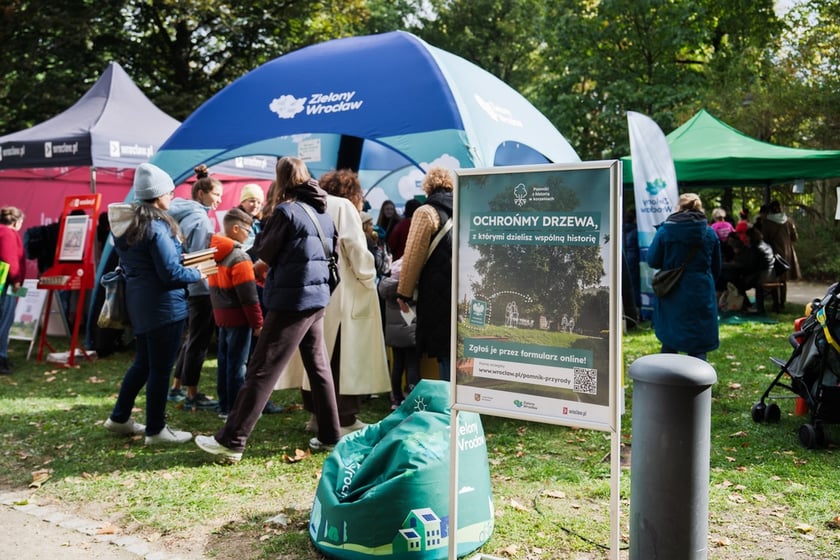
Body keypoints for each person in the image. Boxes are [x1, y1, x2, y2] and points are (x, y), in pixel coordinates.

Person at [195, 156, 341, 461]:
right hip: (316, 298)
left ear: (282, 180)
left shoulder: (285, 213)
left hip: (291, 301)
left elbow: (264, 251)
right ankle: (330, 436)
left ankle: (232, 440)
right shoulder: (323, 214)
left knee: (262, 368)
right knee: (319, 367)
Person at [276, 169, 390, 437]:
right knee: (342, 356)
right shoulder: (344, 207)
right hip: (344, 292)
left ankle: (318, 415)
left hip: (312, 290)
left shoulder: (306, 204)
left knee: (315, 356)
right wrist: (368, 275)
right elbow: (355, 249)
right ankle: (344, 417)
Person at [103, 163, 203, 444]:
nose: (172, 197)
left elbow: (150, 265)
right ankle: (156, 429)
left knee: (143, 364)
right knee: (160, 370)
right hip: (164, 308)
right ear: (158, 195)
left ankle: (120, 417)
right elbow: (170, 273)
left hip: (141, 305)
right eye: (170, 193)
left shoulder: (128, 224)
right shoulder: (156, 227)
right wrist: (199, 271)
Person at [168, 164, 223, 411]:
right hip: (200, 287)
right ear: (201, 194)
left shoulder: (184, 212)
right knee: (199, 341)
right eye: (216, 195)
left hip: (186, 284)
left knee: (191, 339)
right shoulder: (200, 219)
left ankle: (177, 386)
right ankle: (193, 393)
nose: (219, 201)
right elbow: (200, 257)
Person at [647, 193, 721, 361]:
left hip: (672, 290)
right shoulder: (709, 233)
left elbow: (652, 260)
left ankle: (667, 383)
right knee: (698, 343)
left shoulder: (665, 231)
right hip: (701, 290)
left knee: (670, 339)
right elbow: (717, 268)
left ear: (678, 208)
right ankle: (698, 386)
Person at [397, 166, 454, 381]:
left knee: (443, 349)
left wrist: (404, 292)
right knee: (456, 349)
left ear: (428, 187)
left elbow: (413, 256)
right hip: (462, 290)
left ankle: (448, 404)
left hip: (436, 291)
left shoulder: (426, 212)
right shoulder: (463, 209)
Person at [207, 208, 264, 420]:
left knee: (225, 363)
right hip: (239, 318)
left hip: (221, 316)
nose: (250, 234)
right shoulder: (239, 256)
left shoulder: (214, 252)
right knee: (238, 365)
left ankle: (224, 406)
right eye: (248, 230)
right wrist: (257, 322)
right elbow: (249, 296)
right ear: (236, 228)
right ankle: (236, 409)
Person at [378, 258, 420, 409]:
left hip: (393, 334)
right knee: (413, 365)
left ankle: (396, 398)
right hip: (410, 332)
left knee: (397, 365)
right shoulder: (412, 288)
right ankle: (412, 397)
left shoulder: (387, 288)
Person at [0, 207, 26, 375]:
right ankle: (1, 358)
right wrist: (16, 280)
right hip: (5, 286)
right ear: (16, 222)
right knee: (4, 322)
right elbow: (10, 259)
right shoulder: (8, 234)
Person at [761, 200, 801, 282]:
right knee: (784, 278)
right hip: (787, 252)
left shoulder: (766, 223)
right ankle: (783, 294)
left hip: (773, 252)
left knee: (775, 277)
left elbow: (764, 239)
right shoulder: (789, 221)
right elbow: (795, 238)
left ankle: (776, 294)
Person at [237, 183, 264, 254]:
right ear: (242, 202)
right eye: (252, 201)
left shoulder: (258, 223)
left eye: (259, 202)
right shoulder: (237, 221)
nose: (256, 205)